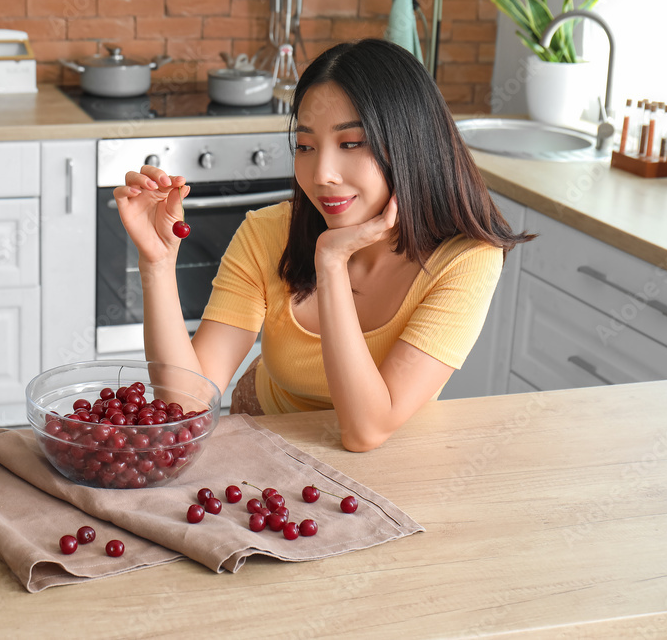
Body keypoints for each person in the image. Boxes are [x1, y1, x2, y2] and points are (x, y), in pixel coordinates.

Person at [112, 39, 533, 452]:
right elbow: (185, 405)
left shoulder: (465, 260)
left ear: (411, 144)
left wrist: (331, 261)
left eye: (351, 143)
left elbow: (365, 432)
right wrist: (158, 263)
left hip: (395, 459)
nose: (322, 174)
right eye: (306, 147)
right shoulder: (267, 233)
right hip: (265, 435)